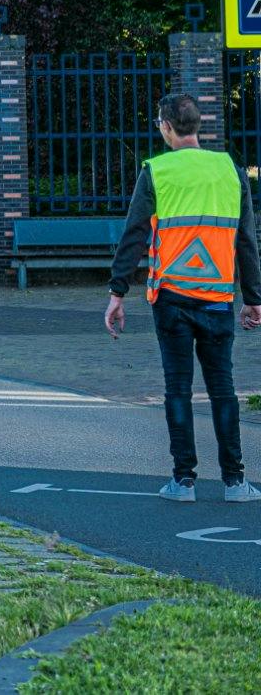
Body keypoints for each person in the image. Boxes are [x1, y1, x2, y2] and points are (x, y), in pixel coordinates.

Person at [106, 93, 261, 502]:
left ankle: (184, 481)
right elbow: (246, 238)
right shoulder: (228, 168)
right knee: (222, 389)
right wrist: (254, 297)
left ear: (166, 127)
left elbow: (135, 233)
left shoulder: (156, 171)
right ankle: (235, 482)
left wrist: (117, 292)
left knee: (178, 388)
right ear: (198, 126)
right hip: (217, 297)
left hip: (172, 297)